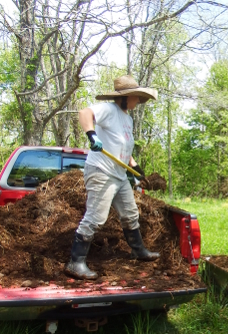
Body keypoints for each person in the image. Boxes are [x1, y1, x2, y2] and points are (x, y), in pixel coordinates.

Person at [65, 75, 159, 280]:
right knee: (96, 218)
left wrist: (135, 166)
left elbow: (122, 146)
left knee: (130, 213)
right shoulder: (109, 110)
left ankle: (138, 250)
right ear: (125, 97)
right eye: (135, 97)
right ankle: (75, 262)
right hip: (101, 171)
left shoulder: (128, 119)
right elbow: (85, 112)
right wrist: (92, 135)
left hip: (119, 175)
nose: (138, 101)